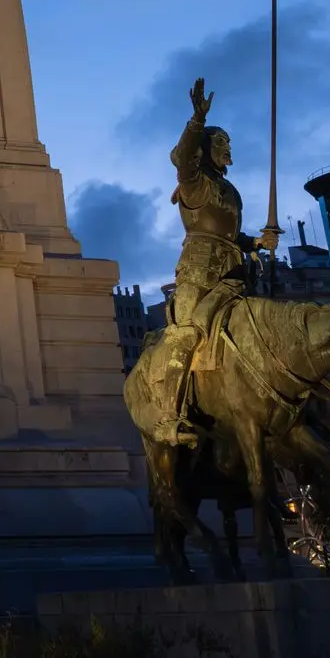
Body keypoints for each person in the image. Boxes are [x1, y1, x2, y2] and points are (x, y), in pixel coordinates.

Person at [143, 78, 277, 446]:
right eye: (221, 143)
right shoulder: (194, 182)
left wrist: (256, 242)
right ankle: (169, 416)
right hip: (199, 273)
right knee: (186, 334)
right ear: (205, 149)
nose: (228, 149)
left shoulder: (226, 189)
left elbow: (228, 233)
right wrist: (197, 121)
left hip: (233, 272)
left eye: (229, 144)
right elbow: (182, 158)